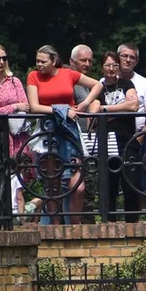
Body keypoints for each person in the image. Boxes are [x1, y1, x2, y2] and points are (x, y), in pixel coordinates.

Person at [26, 44, 102, 221]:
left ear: (54, 61)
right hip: (48, 130)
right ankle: (55, 227)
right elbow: (34, 106)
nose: (39, 64)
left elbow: (97, 85)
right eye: (37, 60)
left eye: (43, 61)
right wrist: (62, 110)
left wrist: (84, 104)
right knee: (53, 183)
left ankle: (73, 229)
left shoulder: (68, 74)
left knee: (78, 185)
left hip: (69, 131)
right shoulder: (33, 76)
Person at [89, 51, 140, 221]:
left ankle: (132, 224)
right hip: (107, 141)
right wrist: (120, 108)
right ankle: (108, 224)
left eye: (114, 65)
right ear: (102, 67)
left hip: (127, 140)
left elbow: (133, 105)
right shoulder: (98, 88)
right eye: (107, 65)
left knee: (130, 183)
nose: (111, 69)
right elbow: (93, 112)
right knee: (109, 185)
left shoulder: (126, 83)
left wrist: (106, 109)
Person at [0, 42, 31, 160]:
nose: (1, 62)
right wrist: (13, 107)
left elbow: (25, 106)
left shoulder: (14, 81)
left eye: (4, 58)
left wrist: (2, 110)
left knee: (20, 170)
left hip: (17, 135)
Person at [118, 43, 146, 132]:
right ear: (118, 58)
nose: (128, 60)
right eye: (124, 56)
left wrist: (142, 136)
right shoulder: (105, 81)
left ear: (136, 61)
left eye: (132, 57)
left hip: (137, 136)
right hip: (110, 136)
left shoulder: (145, 83)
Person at [69, 44, 94, 109]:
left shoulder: (88, 83)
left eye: (90, 61)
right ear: (72, 61)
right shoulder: (68, 81)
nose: (87, 64)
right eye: (83, 60)